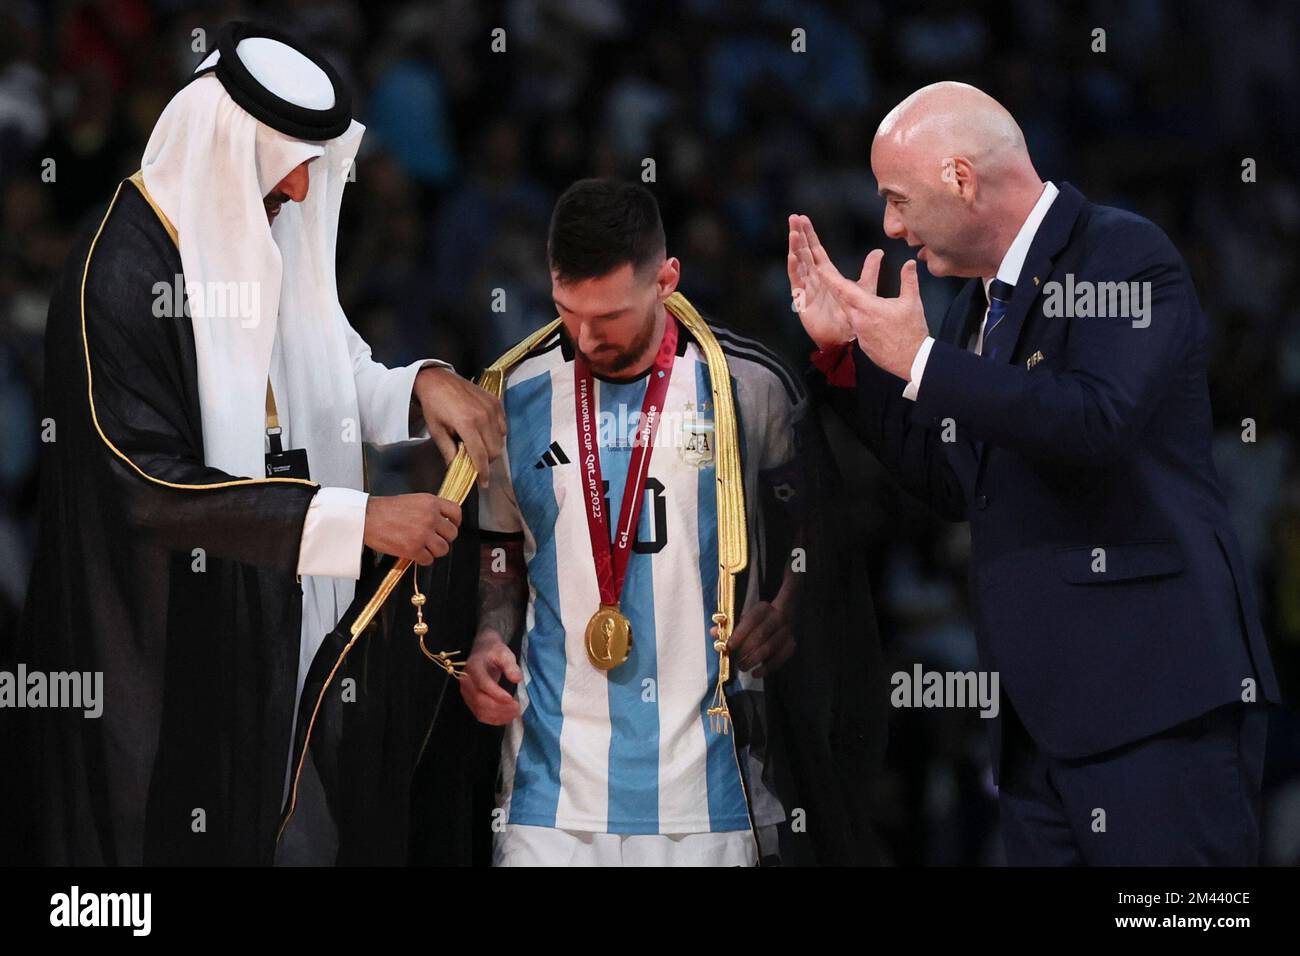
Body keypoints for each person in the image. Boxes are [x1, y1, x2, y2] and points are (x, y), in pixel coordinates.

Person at [4, 22, 503, 865]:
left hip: (290, 619)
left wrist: (416, 384)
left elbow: (322, 367)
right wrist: (357, 522)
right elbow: (143, 484)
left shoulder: (260, 224)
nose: (307, 190)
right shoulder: (117, 269)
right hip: (172, 645)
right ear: (233, 146)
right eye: (292, 160)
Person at [790, 81, 1279, 865]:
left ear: (960, 178)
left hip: (1154, 706)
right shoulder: (972, 309)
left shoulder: (1124, 253)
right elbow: (955, 480)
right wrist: (851, 359)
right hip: (1034, 727)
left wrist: (922, 360)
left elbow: (1096, 419)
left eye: (897, 197)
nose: (889, 224)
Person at [458, 178, 883, 866]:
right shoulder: (513, 395)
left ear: (667, 279)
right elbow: (502, 552)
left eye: (611, 316)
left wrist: (786, 604)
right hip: (550, 795)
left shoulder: (749, 386)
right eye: (568, 311)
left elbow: (817, 530)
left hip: (709, 793)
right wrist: (485, 634)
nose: (587, 336)